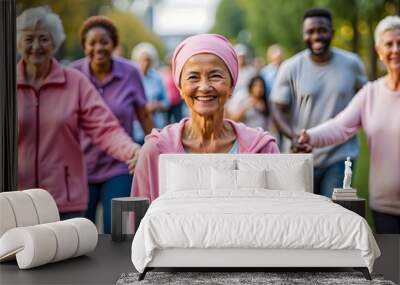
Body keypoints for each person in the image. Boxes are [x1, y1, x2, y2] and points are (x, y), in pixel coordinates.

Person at [16, 7, 141, 220]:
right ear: (19, 42)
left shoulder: (74, 82)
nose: (36, 46)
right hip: (15, 197)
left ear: (55, 43)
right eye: (29, 39)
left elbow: (104, 127)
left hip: (63, 197)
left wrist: (133, 151)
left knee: (73, 252)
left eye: (43, 39)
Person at [131, 34, 279, 201]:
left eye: (215, 76)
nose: (204, 87)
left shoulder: (262, 149)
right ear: (180, 88)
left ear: (232, 86)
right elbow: (140, 223)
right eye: (193, 77)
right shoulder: (155, 151)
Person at [299, 16, 400, 233]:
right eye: (389, 44)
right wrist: (311, 137)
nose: (395, 50)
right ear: (379, 50)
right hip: (385, 206)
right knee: (393, 265)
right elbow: (340, 126)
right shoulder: (370, 94)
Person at [271, 8, 368, 198]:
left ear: (332, 32)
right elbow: (277, 109)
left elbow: (365, 101)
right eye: (310, 31)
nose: (316, 36)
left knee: (333, 213)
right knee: (304, 215)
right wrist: (293, 137)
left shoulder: (352, 64)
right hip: (300, 156)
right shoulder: (290, 67)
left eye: (322, 30)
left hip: (340, 154)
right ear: (304, 34)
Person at [70, 16, 153, 233]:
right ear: (84, 46)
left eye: (104, 42)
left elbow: (143, 115)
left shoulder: (130, 73)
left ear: (114, 43)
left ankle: (119, 268)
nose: (98, 48)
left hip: (120, 165)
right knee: (79, 232)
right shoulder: (73, 75)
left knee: (118, 230)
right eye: (92, 43)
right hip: (80, 167)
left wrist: (153, 149)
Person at [131, 42, 170, 144]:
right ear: (136, 60)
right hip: (134, 130)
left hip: (155, 127)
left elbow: (167, 102)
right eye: (142, 60)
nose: (145, 63)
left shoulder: (157, 78)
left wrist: (157, 105)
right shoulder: (130, 78)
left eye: (148, 60)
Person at [226, 43, 257, 115]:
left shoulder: (252, 71)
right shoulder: (230, 71)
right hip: (232, 103)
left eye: (243, 57)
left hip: (248, 103)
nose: (241, 59)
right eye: (239, 57)